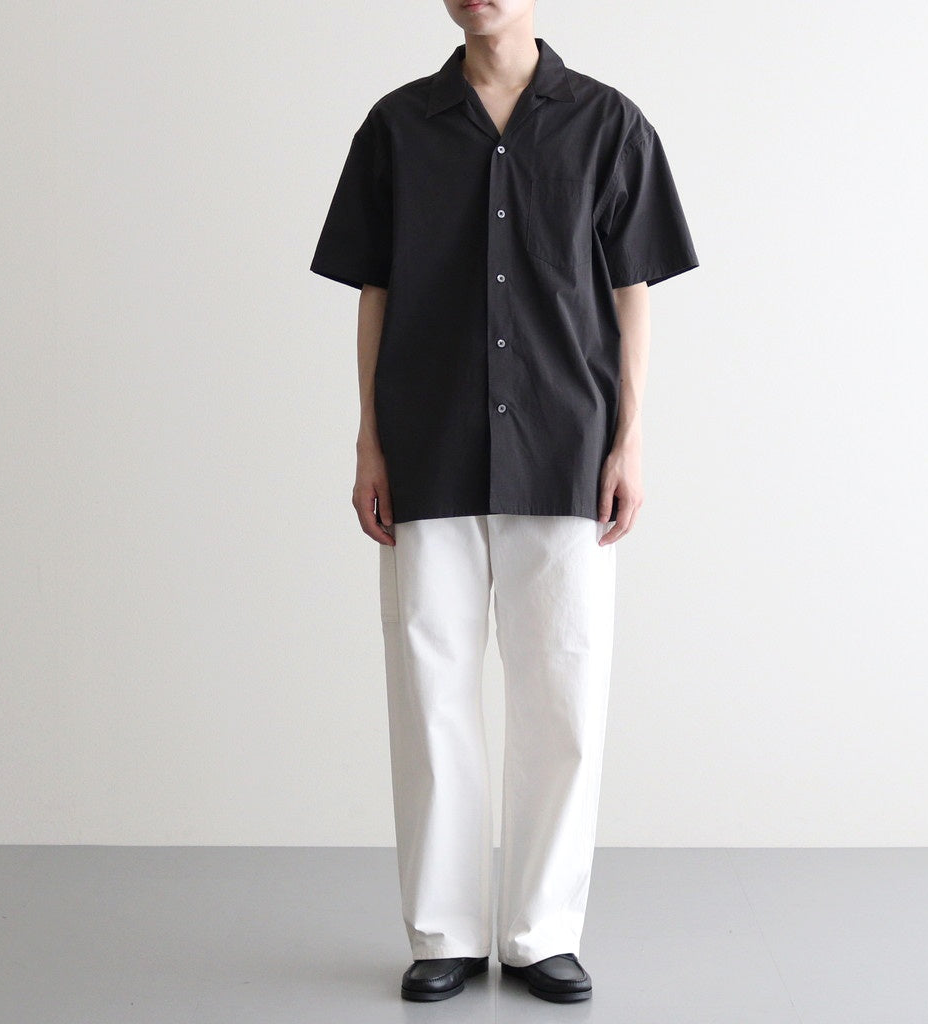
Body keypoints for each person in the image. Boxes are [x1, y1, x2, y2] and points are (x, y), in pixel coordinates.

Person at [310, 0, 698, 1004]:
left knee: (562, 697)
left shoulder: (607, 124)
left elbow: (632, 288)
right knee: (429, 694)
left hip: (566, 445)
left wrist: (629, 437)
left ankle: (540, 933)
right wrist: (369, 438)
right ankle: (442, 930)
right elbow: (375, 289)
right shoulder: (397, 126)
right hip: (428, 441)